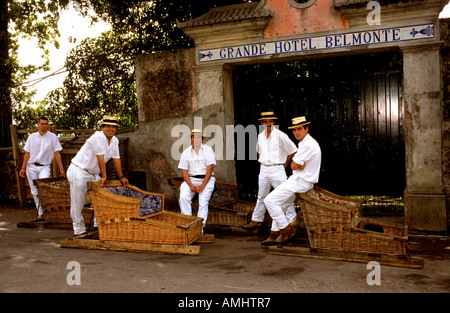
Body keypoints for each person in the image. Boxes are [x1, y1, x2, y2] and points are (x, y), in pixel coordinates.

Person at [263, 116, 321, 245]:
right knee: (281, 204)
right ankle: (274, 233)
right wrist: (299, 164)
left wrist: (297, 164)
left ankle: (287, 231)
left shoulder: (308, 144)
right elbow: (296, 164)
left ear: (306, 129)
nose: (296, 132)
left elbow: (293, 165)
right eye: (294, 130)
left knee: (269, 201)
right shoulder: (304, 143)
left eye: (299, 129)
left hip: (301, 182)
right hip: (299, 180)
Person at [67, 115, 128, 236]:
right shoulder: (97, 137)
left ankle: (97, 224)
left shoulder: (115, 141)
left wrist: (121, 177)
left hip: (92, 173)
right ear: (103, 127)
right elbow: (100, 158)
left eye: (114, 127)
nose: (111, 129)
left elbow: (116, 160)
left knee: (101, 196)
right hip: (78, 170)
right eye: (108, 126)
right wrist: (104, 176)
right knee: (77, 200)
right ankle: (78, 228)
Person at [243, 112, 298, 241]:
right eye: (265, 122)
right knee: (262, 195)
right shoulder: (260, 136)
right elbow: (258, 151)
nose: (268, 124)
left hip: (277, 168)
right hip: (264, 169)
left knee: (285, 196)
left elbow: (293, 150)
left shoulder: (280, 135)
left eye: (270, 121)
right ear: (261, 123)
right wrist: (263, 162)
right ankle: (257, 220)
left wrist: (285, 163)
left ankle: (292, 221)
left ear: (273, 122)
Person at [19, 116, 65, 220]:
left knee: (43, 187)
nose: (44, 126)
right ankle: (40, 212)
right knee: (34, 190)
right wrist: (22, 168)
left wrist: (61, 169)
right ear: (38, 124)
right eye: (42, 123)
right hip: (31, 167)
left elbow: (57, 153)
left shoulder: (53, 137)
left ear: (48, 125)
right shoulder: (32, 137)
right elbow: (27, 154)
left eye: (46, 124)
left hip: (44, 166)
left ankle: (46, 210)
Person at [178, 129, 216, 229]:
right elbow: (184, 171)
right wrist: (191, 185)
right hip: (191, 180)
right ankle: (188, 225)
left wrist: (203, 185)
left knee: (203, 202)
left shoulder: (208, 150)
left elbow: (210, 168)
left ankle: (199, 228)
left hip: (207, 180)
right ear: (191, 139)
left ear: (202, 139)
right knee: (183, 198)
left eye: (198, 137)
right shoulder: (186, 152)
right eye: (194, 137)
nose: (196, 140)